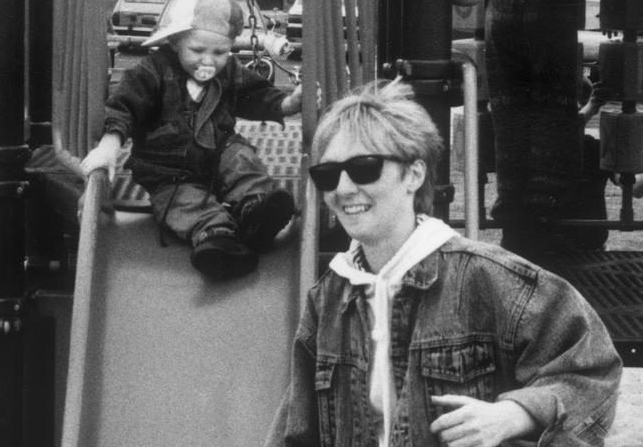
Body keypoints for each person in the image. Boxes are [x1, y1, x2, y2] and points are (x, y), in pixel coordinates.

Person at [264, 79, 622, 447]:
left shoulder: (488, 280)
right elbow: (297, 430)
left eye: (364, 168)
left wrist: (517, 414)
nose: (341, 189)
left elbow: (591, 368)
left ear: (414, 175)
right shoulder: (327, 301)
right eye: (327, 174)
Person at [80, 0, 302, 280]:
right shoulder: (151, 72)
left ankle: (254, 213)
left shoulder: (229, 70)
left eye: (220, 52)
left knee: (241, 158)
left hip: (218, 152)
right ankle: (217, 239)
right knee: (183, 203)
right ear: (175, 42)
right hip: (167, 171)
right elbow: (124, 108)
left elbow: (253, 95)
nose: (209, 60)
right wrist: (109, 145)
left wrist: (287, 103)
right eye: (198, 50)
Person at [484, 0, 604, 260]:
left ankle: (513, 231)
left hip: (499, 1)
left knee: (509, 112)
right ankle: (540, 231)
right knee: (553, 113)